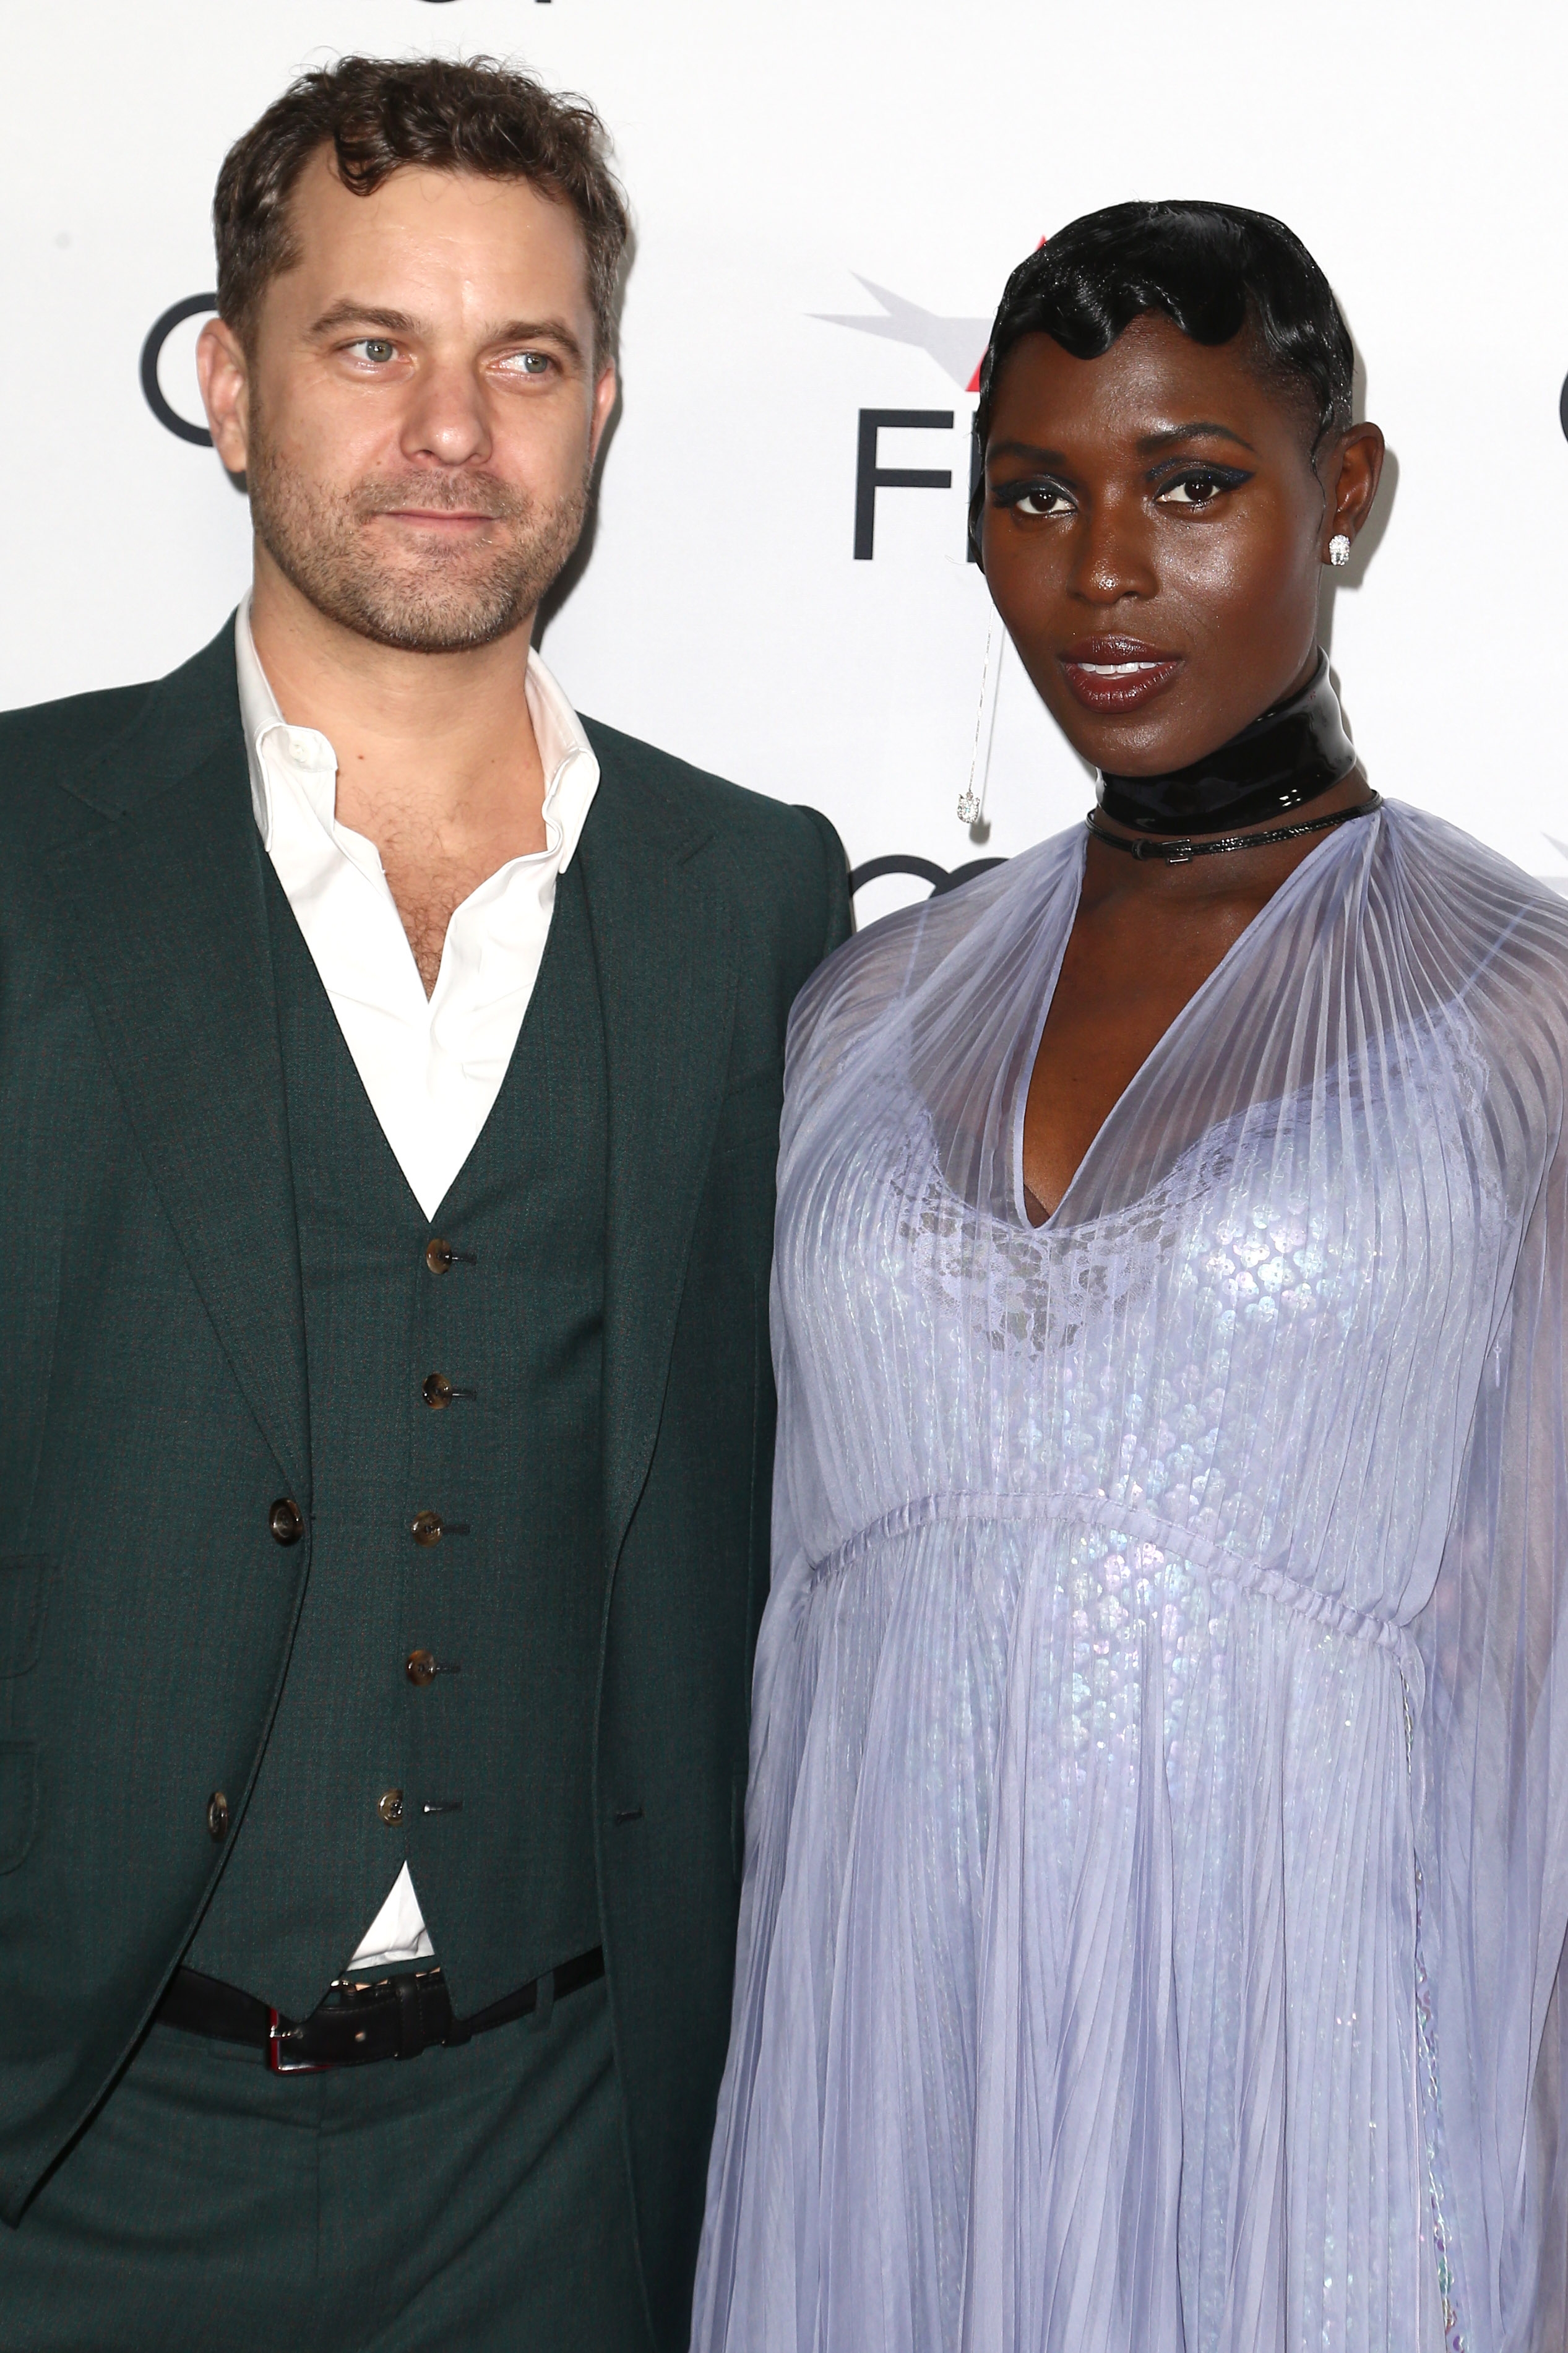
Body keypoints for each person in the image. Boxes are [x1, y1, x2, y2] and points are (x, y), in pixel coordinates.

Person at [0, 53, 848, 2353]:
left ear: (602, 409)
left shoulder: (755, 898)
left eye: (526, 359)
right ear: (228, 386)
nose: (453, 430)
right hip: (77, 2160)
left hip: (564, 2167)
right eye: (373, 344)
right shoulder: (26, 847)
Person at [691, 201, 1568, 2353]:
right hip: (885, 2057)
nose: (1101, 571)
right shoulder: (862, 1007)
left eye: (1190, 485)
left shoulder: (1523, 1009)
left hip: (1320, 2076)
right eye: (1034, 495)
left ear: (1344, 491)